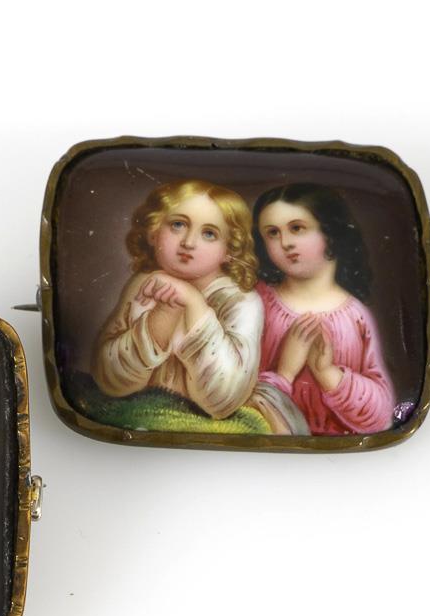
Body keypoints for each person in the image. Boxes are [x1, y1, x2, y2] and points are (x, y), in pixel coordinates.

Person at [93, 179, 306, 433]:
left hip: (217, 417)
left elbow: (222, 401)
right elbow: (109, 378)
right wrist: (163, 315)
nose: (189, 242)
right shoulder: (143, 284)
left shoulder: (242, 301)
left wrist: (194, 304)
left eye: (209, 234)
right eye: (178, 225)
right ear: (153, 231)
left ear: (229, 248)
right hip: (148, 417)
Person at [252, 183, 394, 435]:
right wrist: (284, 375)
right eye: (272, 233)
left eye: (297, 228)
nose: (285, 242)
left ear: (329, 231)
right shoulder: (255, 302)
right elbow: (232, 399)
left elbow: (381, 415)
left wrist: (328, 374)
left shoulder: (357, 317)